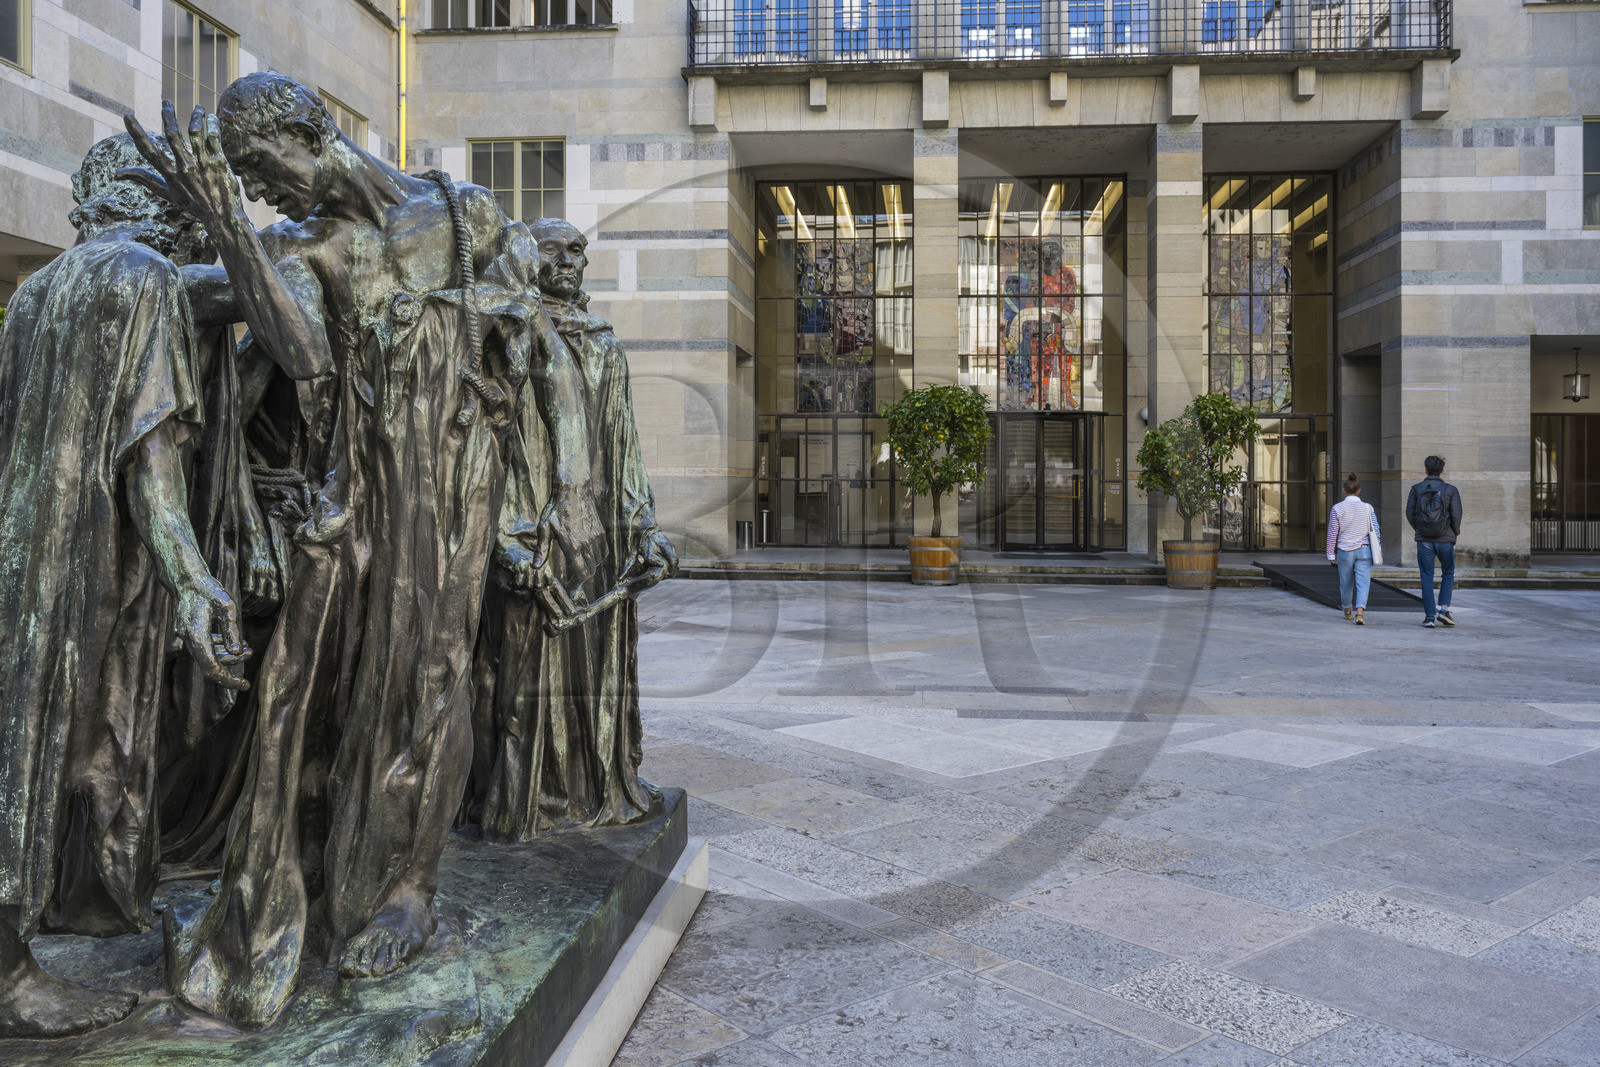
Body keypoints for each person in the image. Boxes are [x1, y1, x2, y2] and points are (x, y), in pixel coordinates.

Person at [122, 74, 605, 1026]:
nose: (262, 192)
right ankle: (284, 875)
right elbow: (302, 354)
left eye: (261, 169)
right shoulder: (300, 246)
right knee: (294, 681)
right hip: (353, 492)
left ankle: (408, 887)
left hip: (453, 487)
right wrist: (227, 230)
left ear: (306, 131)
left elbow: (545, 354)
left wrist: (578, 489)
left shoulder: (463, 213)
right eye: (246, 183)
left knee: (430, 675)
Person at [0, 135, 247, 1038]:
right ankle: (11, 977)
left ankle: (50, 924)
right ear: (165, 213)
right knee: (57, 741)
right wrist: (193, 577)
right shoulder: (147, 277)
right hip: (85, 552)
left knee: (23, 743)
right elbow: (152, 460)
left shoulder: (35, 290)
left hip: (20, 546)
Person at [469, 218, 676, 841]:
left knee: (592, 674)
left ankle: (592, 788)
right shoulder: (498, 340)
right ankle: (522, 802)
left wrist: (643, 526)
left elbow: (624, 445)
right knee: (518, 679)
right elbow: (483, 447)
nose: (567, 260)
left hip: (597, 540)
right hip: (526, 535)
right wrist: (503, 534)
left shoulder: (605, 345)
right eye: (552, 250)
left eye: (576, 250)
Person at [1405, 455, 1462, 628]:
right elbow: (1456, 514)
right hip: (1445, 538)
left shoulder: (1416, 489)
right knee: (1448, 573)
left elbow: (1409, 514)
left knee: (1426, 576)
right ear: (1442, 470)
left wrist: (1420, 529)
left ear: (1426, 470)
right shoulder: (1451, 490)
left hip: (1424, 539)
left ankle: (1429, 616)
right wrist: (1454, 532)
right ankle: (1444, 610)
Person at [1326, 474, 1380, 625]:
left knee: (1346, 582)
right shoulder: (1368, 508)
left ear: (1344, 490)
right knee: (1363, 582)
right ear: (1359, 490)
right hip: (1364, 549)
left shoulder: (1337, 508)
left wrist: (1330, 553)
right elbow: (1375, 529)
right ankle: (1360, 613)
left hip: (1345, 550)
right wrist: (1379, 548)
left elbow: (1333, 532)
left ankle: (1347, 609)